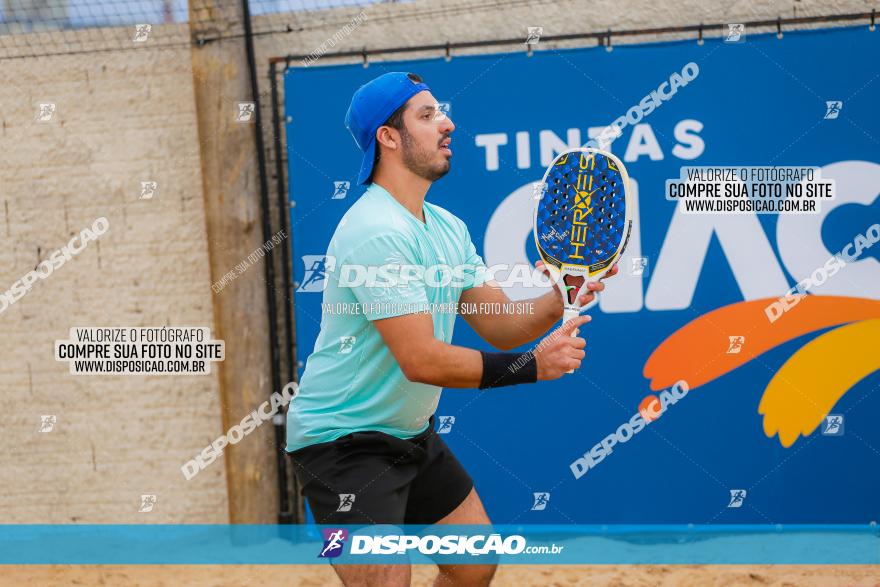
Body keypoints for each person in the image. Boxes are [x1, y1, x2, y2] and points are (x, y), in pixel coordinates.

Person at [286, 71, 616, 586]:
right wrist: (534, 366)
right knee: (387, 579)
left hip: (411, 434)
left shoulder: (445, 227)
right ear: (388, 137)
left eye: (441, 112)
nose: (448, 123)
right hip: (339, 445)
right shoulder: (374, 231)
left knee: (474, 565)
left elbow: (501, 325)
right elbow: (422, 360)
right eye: (428, 115)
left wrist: (558, 298)